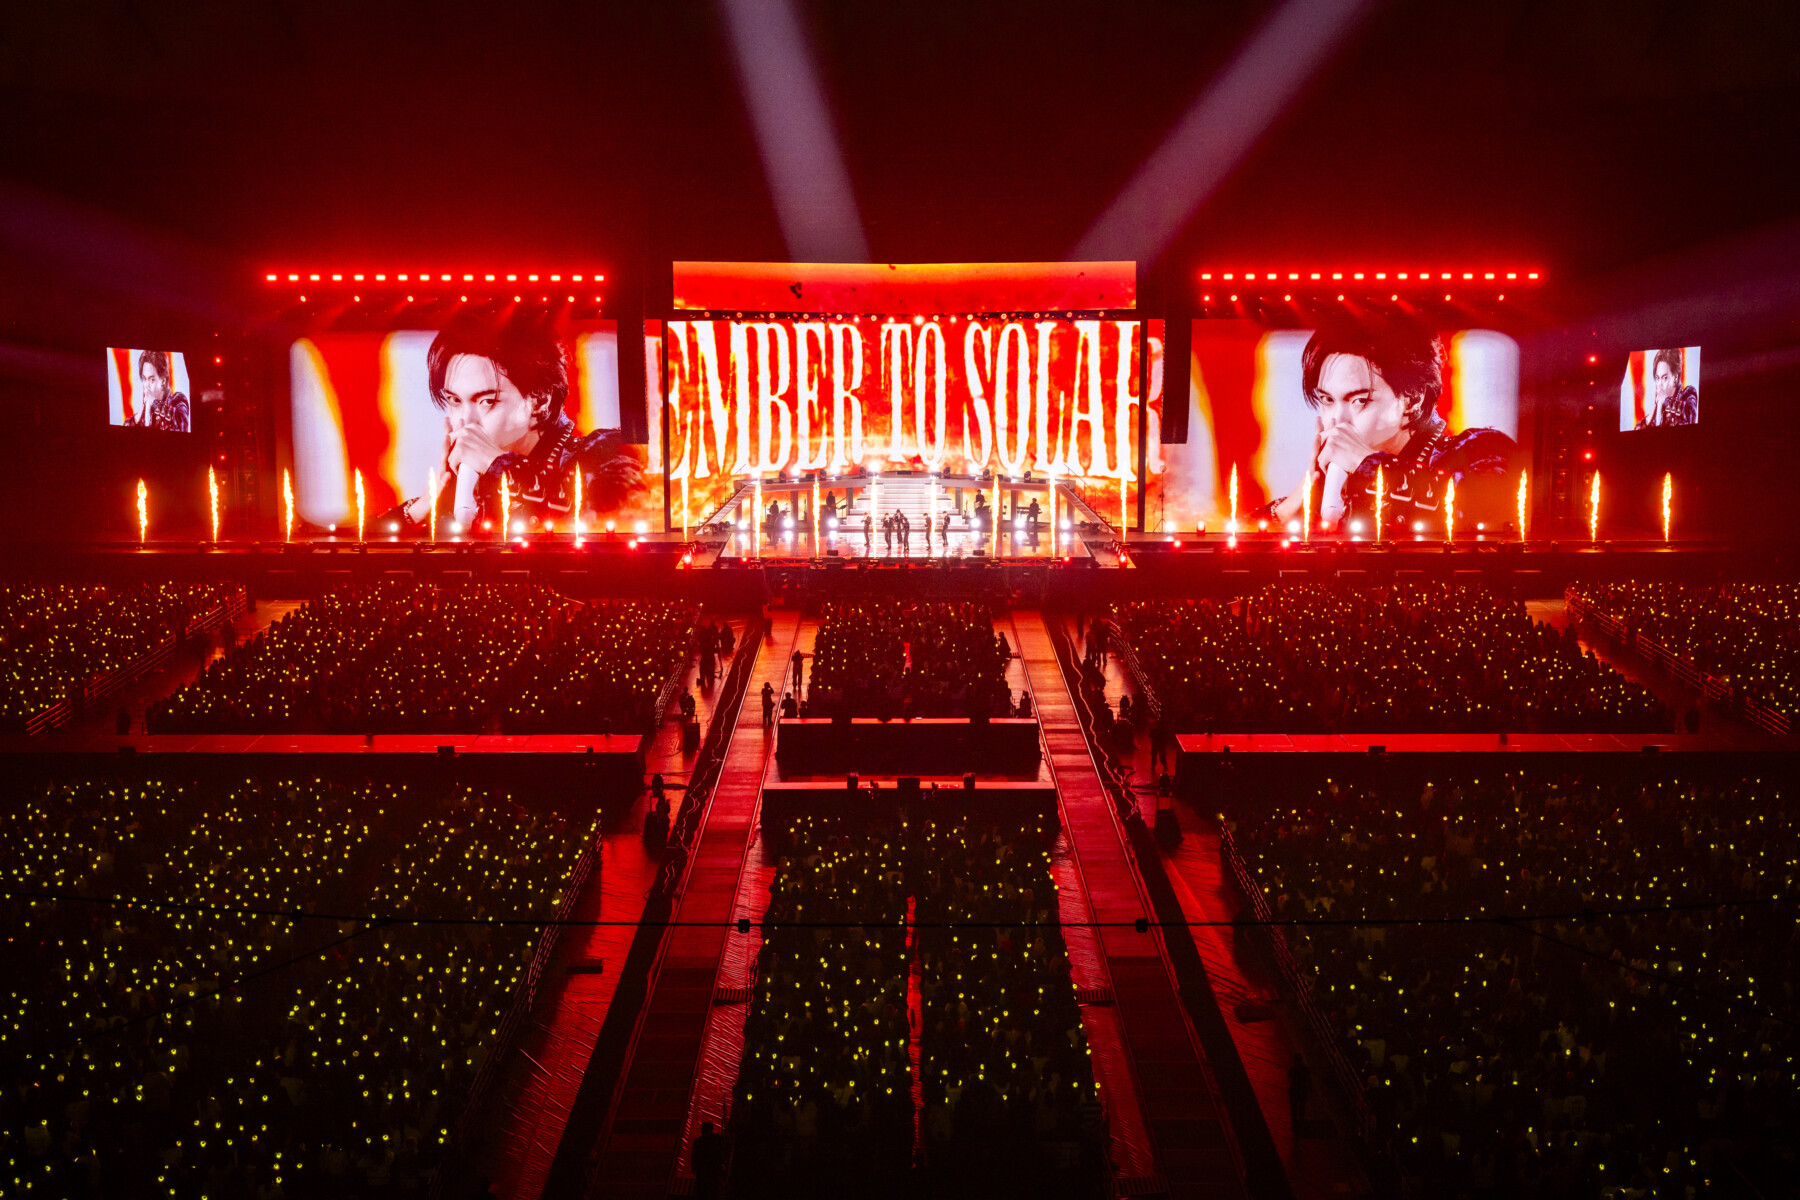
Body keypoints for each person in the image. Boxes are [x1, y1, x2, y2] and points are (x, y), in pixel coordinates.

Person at [387, 310, 640, 533]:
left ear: (540, 400)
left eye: (487, 401)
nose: (466, 422)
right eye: (455, 400)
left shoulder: (605, 450)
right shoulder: (471, 485)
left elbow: (607, 507)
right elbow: (371, 539)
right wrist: (426, 503)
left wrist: (496, 463)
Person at [1270, 315, 1517, 536]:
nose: (1338, 420)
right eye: (1327, 400)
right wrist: (1301, 496)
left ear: (1413, 399)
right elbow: (1250, 537)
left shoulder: (1482, 449)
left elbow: (1479, 511)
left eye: (1360, 400)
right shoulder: (1337, 484)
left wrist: (1365, 462)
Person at [1637, 347, 1698, 428]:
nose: (1660, 384)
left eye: (1665, 378)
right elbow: (1638, 431)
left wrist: (1666, 400)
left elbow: (1689, 417)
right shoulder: (1660, 408)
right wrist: (1654, 408)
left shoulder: (1688, 394)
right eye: (1657, 378)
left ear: (1675, 377)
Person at [130, 351, 191, 432]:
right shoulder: (145, 412)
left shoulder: (178, 400)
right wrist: (140, 413)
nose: (146, 385)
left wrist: (154, 402)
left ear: (163, 381)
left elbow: (181, 427)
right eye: (144, 379)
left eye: (152, 379)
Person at [691, 1121, 726, 1200]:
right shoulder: (715, 1140)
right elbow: (719, 1152)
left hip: (703, 1170)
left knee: (703, 1190)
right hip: (711, 1169)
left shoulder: (699, 1141)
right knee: (711, 1190)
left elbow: (694, 1155)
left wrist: (694, 1166)